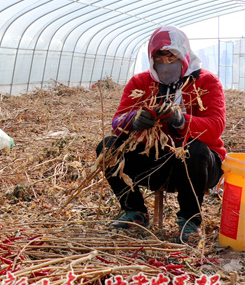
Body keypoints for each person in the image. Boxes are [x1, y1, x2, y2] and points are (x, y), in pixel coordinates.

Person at [96, 25, 225, 243]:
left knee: (193, 149)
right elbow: (117, 121)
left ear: (183, 55)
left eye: (171, 56)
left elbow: (215, 126)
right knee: (108, 147)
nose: (165, 64)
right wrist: (133, 121)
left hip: (198, 168)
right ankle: (134, 211)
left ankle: (190, 220)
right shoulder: (141, 83)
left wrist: (181, 120)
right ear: (151, 56)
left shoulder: (205, 82)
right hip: (156, 161)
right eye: (159, 57)